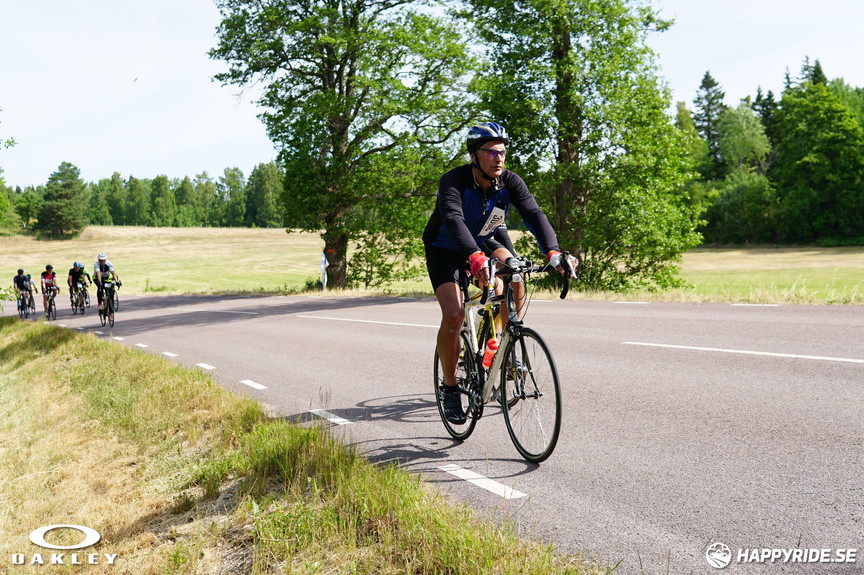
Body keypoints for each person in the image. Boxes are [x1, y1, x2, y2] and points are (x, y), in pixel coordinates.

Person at [422, 121, 573, 424]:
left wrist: (554, 252)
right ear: (474, 156)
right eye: (490, 152)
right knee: (453, 314)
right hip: (445, 249)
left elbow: (533, 214)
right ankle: (450, 388)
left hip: (483, 239)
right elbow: (453, 219)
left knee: (514, 272)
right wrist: (474, 258)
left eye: (502, 152)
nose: (498, 158)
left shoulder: (510, 182)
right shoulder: (453, 181)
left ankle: (503, 341)